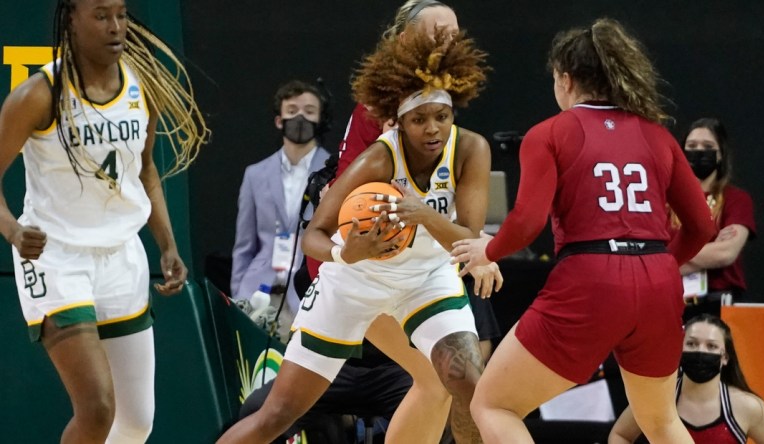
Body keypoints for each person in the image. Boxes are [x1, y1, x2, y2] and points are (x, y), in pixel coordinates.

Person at [218, 28, 491, 444]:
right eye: (419, 119)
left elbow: (467, 237)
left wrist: (420, 214)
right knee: (276, 414)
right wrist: (348, 253)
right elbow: (313, 236)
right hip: (355, 281)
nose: (433, 129)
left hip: (426, 280)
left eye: (442, 116)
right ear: (398, 121)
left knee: (467, 386)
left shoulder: (470, 150)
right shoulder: (378, 159)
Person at [450, 18, 717, 444]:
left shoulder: (549, 133)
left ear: (565, 79)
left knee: (493, 405)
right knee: (661, 420)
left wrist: (489, 250)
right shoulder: (658, 135)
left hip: (590, 278)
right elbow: (703, 225)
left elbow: (526, 222)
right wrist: (658, 266)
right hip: (658, 279)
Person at [0, 1, 208, 443]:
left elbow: (146, 169)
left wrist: (167, 244)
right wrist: (14, 230)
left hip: (121, 255)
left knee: (135, 423)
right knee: (96, 409)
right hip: (56, 258)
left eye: (121, 14)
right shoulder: (38, 94)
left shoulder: (141, 87)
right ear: (71, 19)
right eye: (100, 15)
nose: (116, 27)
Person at [307, 2, 502, 442]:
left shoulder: (447, 117)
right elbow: (345, 209)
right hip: (361, 266)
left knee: (446, 385)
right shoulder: (379, 114)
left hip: (418, 266)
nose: (451, 42)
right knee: (280, 410)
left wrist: (477, 249)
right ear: (404, 41)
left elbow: (453, 215)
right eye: (439, 33)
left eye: (456, 33)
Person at [231, 80, 331, 339]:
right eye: (293, 110)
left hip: (310, 292)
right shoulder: (255, 174)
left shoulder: (335, 172)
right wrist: (238, 295)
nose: (300, 117)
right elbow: (244, 246)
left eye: (309, 111)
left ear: (320, 120)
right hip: (260, 293)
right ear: (279, 120)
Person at [609, 314, 764, 444]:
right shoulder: (656, 398)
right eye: (691, 344)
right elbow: (620, 435)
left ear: (725, 357)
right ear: (679, 349)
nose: (701, 352)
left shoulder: (748, 407)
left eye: (711, 346)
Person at [672, 118, 756, 320]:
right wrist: (710, 249)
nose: (699, 151)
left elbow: (725, 253)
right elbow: (648, 255)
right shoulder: (665, 199)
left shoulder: (736, 199)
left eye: (708, 146)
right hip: (670, 301)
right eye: (691, 146)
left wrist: (671, 252)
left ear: (720, 155)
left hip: (719, 303)